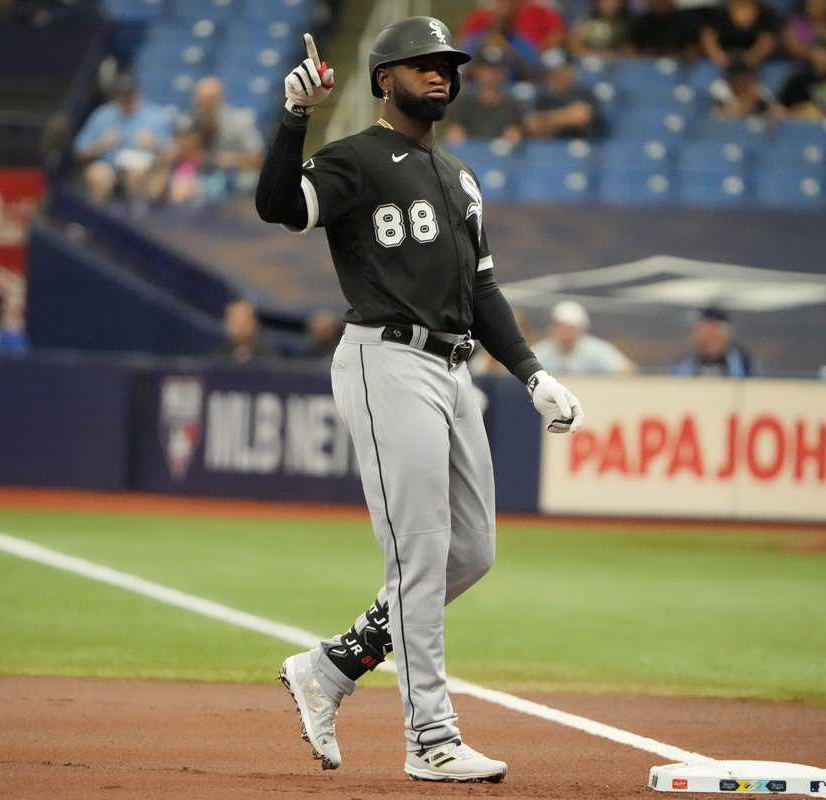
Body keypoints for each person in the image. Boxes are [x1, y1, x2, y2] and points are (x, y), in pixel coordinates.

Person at [255, 19, 584, 783]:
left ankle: (332, 669)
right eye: (421, 64)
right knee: (421, 549)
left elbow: (483, 289)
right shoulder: (355, 159)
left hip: (455, 368)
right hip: (385, 358)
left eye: (447, 64)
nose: (440, 74)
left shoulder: (460, 175)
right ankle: (430, 738)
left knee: (472, 550)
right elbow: (282, 208)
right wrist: (294, 120)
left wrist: (533, 373)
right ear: (384, 78)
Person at [73, 74, 173, 203]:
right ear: (116, 98)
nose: (127, 102)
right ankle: (97, 218)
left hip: (143, 167)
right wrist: (101, 145)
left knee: (137, 174)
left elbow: (171, 155)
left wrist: (155, 144)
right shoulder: (103, 114)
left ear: (138, 94)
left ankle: (134, 218)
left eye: (130, 97)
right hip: (110, 165)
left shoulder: (156, 116)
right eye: (123, 98)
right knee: (99, 175)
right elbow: (79, 149)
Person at [190, 76, 265, 194]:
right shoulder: (192, 122)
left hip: (236, 174)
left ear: (220, 98)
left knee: (246, 181)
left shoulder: (239, 121)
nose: (205, 104)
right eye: (201, 100)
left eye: (209, 99)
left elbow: (258, 158)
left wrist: (230, 159)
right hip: (203, 176)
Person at [533, 301, 636, 376]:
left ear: (580, 329)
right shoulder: (544, 349)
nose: (559, 330)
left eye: (565, 326)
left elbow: (627, 370)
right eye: (556, 325)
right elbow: (521, 372)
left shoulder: (595, 349)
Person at [444, 58, 526, 143]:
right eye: (486, 70)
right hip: (470, 152)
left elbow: (517, 132)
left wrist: (515, 134)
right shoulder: (465, 102)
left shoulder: (512, 104)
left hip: (502, 151)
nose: (491, 76)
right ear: (477, 72)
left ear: (504, 74)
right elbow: (454, 132)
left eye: (496, 71)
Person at [524, 61, 604, 139]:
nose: (560, 78)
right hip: (552, 144)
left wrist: (548, 120)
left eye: (563, 74)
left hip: (582, 142)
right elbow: (533, 124)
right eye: (556, 75)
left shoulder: (584, 93)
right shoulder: (545, 97)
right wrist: (567, 115)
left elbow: (582, 116)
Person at [671, 306, 755, 377]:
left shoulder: (745, 365)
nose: (704, 340)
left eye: (712, 334)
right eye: (702, 335)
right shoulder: (685, 365)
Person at [700, 0, 781, 69]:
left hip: (758, 62)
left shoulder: (766, 12)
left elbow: (767, 40)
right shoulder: (719, 11)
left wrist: (752, 57)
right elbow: (708, 36)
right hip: (721, 60)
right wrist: (718, 56)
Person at [461, 0, 567, 52]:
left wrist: (536, 52)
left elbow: (556, 34)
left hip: (532, 55)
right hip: (485, 62)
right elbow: (465, 39)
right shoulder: (487, 11)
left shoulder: (538, 8)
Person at [629, 0, 701, 58]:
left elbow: (694, 51)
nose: (660, 3)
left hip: (680, 69)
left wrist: (679, 56)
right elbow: (629, 49)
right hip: (647, 69)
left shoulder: (685, 20)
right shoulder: (642, 22)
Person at [568, 0, 635, 58]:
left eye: (614, 2)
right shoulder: (586, 21)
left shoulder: (623, 24)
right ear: (598, 3)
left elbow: (628, 48)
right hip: (589, 63)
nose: (611, 6)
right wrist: (596, 55)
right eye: (606, 2)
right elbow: (573, 45)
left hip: (616, 64)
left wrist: (622, 53)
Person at [218, 299, 277, 364]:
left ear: (254, 323)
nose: (238, 327)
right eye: (233, 321)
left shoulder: (268, 357)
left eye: (243, 321)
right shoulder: (219, 356)